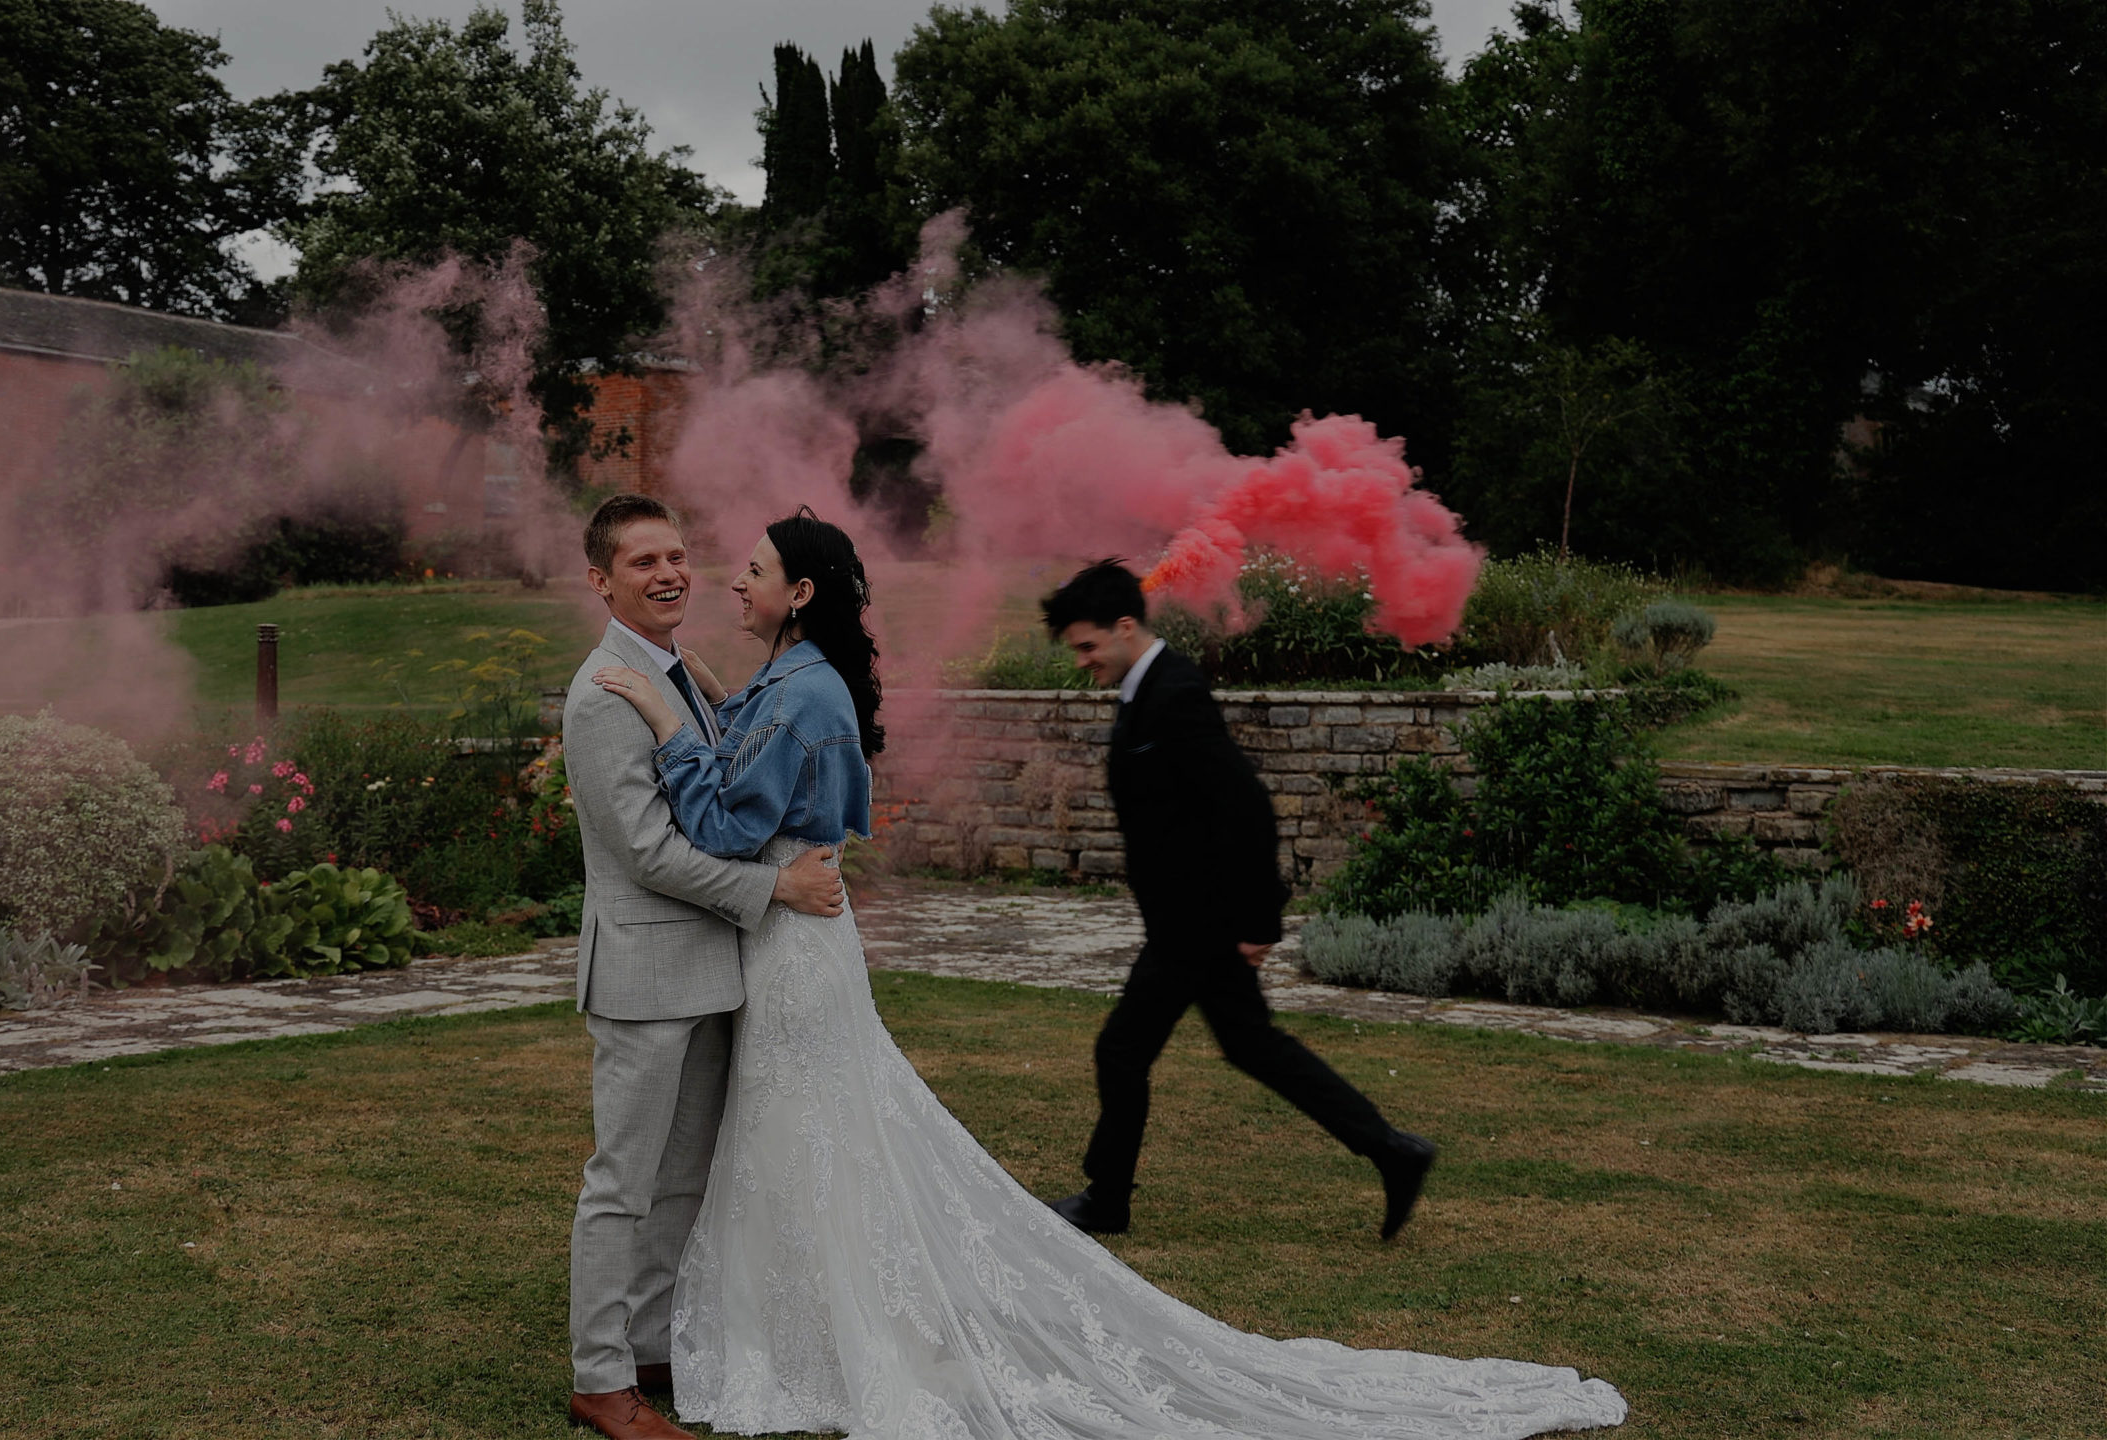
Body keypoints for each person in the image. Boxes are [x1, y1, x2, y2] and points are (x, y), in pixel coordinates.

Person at [589, 514, 1626, 1438]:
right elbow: (752, 771)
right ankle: (809, 1315)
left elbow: (725, 816)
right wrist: (704, 704)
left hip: (852, 933)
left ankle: (838, 1325)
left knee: (821, 1133)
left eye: (750, 566)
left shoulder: (1151, 692)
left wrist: (677, 724)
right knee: (811, 1135)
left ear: (800, 593)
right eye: (663, 559)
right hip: (809, 937)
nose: (723, 576)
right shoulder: (784, 676)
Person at [560, 493, 849, 1440]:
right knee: (622, 1183)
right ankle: (601, 1382)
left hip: (712, 973)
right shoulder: (605, 692)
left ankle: (648, 1348)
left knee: (682, 1181)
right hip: (644, 976)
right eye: (643, 563)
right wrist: (774, 893)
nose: (671, 574)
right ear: (602, 581)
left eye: (677, 555)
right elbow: (649, 853)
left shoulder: (682, 669)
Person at [1040, 559, 1440, 1242]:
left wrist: (1259, 920)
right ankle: (1394, 1151)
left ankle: (1107, 1201)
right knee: (1253, 1046)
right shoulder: (1145, 691)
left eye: (1088, 646)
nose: (1083, 661)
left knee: (1122, 1050)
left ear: (1126, 627)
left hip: (1196, 924)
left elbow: (1247, 806)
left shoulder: (1175, 693)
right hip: (1189, 919)